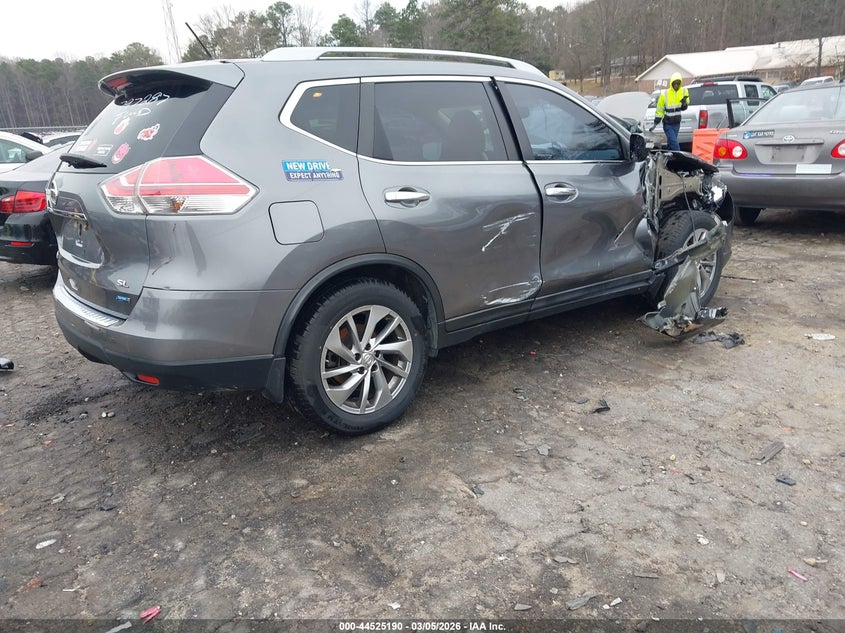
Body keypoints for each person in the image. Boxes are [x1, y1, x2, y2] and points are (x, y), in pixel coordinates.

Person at [650, 72, 689, 151]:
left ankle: (667, 159)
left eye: (678, 83)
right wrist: (655, 123)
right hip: (668, 124)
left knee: (671, 143)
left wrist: (684, 103)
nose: (676, 85)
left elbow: (684, 107)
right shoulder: (665, 95)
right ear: (672, 83)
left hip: (676, 123)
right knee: (674, 144)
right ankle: (679, 159)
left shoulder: (683, 91)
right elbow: (659, 110)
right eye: (675, 83)